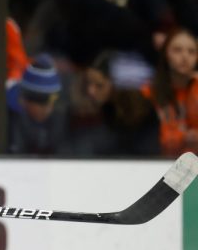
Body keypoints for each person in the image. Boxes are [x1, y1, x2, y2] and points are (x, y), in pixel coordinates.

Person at [66, 50, 161, 156]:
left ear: (116, 87)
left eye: (99, 85)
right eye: (88, 83)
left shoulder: (144, 116)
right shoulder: (102, 108)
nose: (90, 91)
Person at [146, 28, 198, 156]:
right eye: (177, 50)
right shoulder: (148, 93)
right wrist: (183, 137)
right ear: (165, 54)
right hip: (156, 164)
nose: (185, 56)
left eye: (191, 51)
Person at [6, 54, 68, 155]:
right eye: (42, 102)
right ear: (24, 99)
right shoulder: (7, 119)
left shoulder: (60, 119)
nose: (48, 109)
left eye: (52, 102)